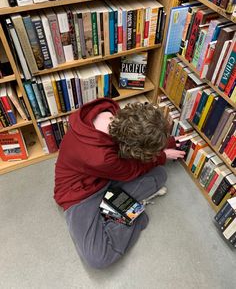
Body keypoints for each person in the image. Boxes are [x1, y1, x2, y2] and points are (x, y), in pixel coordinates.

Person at [54, 98, 185, 269]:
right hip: (80, 194)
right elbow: (131, 169)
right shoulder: (101, 158)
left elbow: (140, 137)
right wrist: (162, 156)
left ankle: (117, 207)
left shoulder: (113, 113)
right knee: (98, 258)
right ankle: (129, 212)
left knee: (159, 174)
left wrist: (171, 142)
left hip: (107, 177)